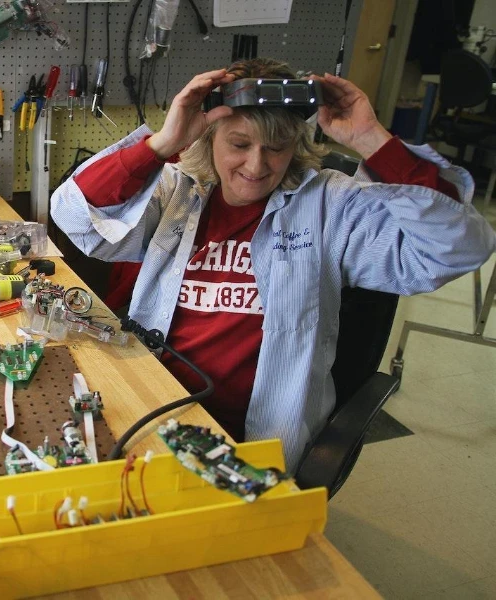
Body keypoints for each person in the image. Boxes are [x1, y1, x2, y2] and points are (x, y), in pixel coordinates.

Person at [50, 58, 496, 469]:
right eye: (239, 144)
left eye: (276, 148)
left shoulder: (329, 205)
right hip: (152, 403)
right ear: (209, 138)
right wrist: (164, 142)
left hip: (255, 434)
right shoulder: (179, 192)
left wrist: (371, 140)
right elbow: (72, 216)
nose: (256, 165)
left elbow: (456, 247)